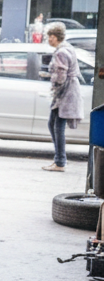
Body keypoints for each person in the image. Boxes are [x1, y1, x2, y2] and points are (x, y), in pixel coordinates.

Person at [43, 21, 83, 171]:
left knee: (57, 126)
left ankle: (60, 161)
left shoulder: (61, 52)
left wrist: (55, 89)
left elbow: (60, 76)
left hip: (65, 94)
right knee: (53, 124)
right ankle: (59, 159)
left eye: (49, 37)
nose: (48, 40)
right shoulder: (67, 48)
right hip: (66, 92)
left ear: (54, 37)